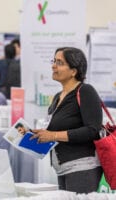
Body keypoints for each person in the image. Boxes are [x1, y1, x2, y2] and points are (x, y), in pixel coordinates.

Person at [31, 47, 103, 193]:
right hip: (62, 168)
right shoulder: (58, 96)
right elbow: (55, 129)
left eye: (60, 62)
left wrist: (53, 135)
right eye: (54, 61)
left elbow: (93, 130)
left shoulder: (85, 91)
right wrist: (42, 135)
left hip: (82, 167)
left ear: (73, 71)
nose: (53, 65)